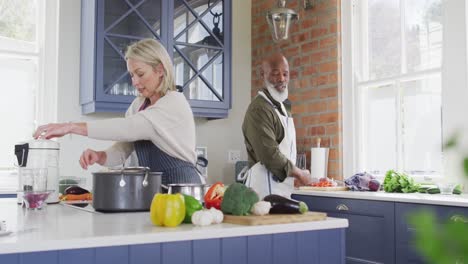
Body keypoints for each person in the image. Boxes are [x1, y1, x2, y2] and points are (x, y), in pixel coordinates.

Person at [33, 38, 202, 185]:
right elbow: (123, 148)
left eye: (140, 74)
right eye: (132, 75)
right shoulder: (139, 105)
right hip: (155, 189)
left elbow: (127, 127)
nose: (135, 82)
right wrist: (100, 156)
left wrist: (70, 127)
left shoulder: (173, 102)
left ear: (159, 70)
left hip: (183, 187)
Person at [242, 53, 312, 198]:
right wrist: (299, 173)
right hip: (262, 192)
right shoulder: (259, 109)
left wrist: (294, 177)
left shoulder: (282, 106)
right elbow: (270, 155)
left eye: (285, 74)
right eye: (275, 74)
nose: (281, 79)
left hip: (282, 190)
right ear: (263, 74)